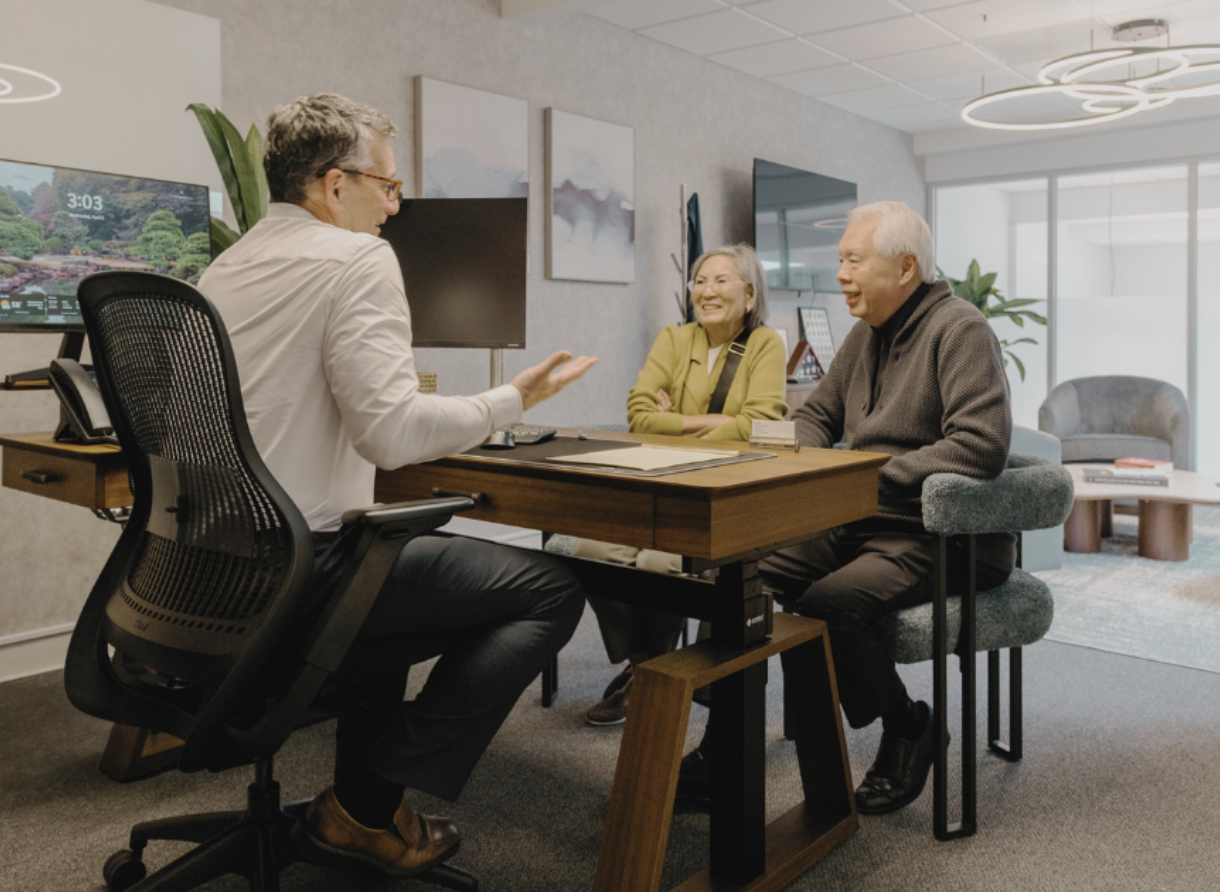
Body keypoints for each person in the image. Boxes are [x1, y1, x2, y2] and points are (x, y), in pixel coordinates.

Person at [197, 93, 596, 878]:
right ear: (333, 185)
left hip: (214, 574)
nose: (397, 203)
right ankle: (367, 801)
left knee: (387, 560)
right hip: (302, 573)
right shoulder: (356, 259)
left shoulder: (224, 266)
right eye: (387, 184)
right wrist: (513, 400)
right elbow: (391, 433)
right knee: (548, 589)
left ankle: (361, 808)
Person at [676, 201, 1015, 816]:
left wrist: (861, 477)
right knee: (740, 574)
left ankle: (908, 724)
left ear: (906, 266)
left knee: (832, 603)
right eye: (840, 260)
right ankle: (722, 747)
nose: (840, 274)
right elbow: (814, 417)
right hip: (862, 520)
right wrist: (798, 458)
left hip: (940, 534)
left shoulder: (960, 330)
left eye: (853, 260)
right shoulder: (865, 335)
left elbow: (980, 446)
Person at [578, 244, 788, 726]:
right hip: (660, 484)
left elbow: (758, 423)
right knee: (592, 550)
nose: (706, 291)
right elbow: (638, 417)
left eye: (721, 280)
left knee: (658, 560)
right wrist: (715, 421)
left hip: (723, 493)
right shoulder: (674, 338)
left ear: (750, 294)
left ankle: (650, 679)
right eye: (699, 281)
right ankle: (645, 663)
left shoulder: (765, 345)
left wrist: (676, 419)